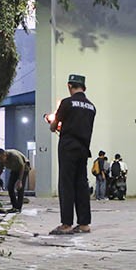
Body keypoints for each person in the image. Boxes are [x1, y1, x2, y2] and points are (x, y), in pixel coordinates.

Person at [48, 74, 96, 234]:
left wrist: (53, 124)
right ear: (84, 88)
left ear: (69, 86)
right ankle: (84, 224)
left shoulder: (67, 103)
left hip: (68, 147)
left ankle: (66, 224)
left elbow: (54, 126)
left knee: (66, 184)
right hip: (83, 149)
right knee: (81, 184)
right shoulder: (91, 107)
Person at [0, 148, 29, 213]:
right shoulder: (1, 159)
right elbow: (0, 170)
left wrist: (20, 180)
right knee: (10, 187)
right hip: (14, 170)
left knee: (20, 188)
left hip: (24, 169)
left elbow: (22, 166)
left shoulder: (14, 156)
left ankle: (18, 208)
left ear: (4, 154)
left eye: (1, 158)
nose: (1, 160)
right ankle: (14, 207)